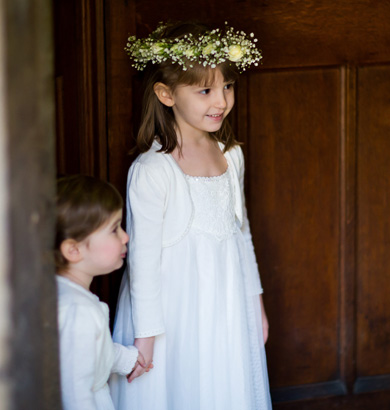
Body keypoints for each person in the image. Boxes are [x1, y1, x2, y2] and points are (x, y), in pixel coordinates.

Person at [109, 21, 272, 410]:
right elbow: (143, 260)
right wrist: (145, 336)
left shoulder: (231, 155)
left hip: (226, 301)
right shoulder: (153, 169)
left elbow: (242, 233)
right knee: (179, 386)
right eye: (205, 90)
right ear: (166, 94)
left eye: (227, 87)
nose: (221, 101)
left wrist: (256, 303)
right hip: (174, 309)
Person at [55, 175, 149, 410]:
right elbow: (75, 394)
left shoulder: (61, 293)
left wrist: (125, 359)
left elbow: (89, 350)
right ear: (73, 250)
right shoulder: (80, 312)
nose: (125, 236)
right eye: (114, 229)